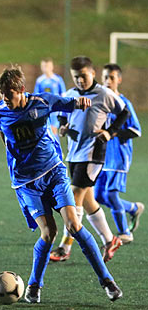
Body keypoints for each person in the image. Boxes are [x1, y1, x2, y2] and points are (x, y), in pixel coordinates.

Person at [0, 65, 123, 303]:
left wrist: (80, 103)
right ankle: (34, 285)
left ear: (21, 90)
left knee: (73, 224)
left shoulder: (42, 101)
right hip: (26, 182)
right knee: (48, 233)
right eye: (1, 95)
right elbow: (4, 136)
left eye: (8, 94)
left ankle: (107, 281)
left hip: (54, 172)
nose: (4, 99)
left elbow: (66, 103)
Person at [49, 56, 130, 263]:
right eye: (76, 77)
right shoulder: (71, 94)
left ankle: (65, 247)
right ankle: (110, 239)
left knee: (74, 196)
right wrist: (64, 125)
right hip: (74, 153)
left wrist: (110, 132)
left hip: (93, 154)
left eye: (83, 76)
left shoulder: (104, 94)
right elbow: (62, 114)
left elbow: (124, 113)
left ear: (92, 73)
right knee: (88, 201)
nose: (80, 81)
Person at [94, 63, 143, 243]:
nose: (107, 81)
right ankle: (132, 208)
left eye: (111, 77)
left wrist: (112, 133)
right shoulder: (103, 103)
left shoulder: (124, 104)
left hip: (119, 157)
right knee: (98, 196)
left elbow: (136, 131)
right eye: (105, 77)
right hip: (102, 157)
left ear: (119, 80)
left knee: (112, 195)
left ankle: (125, 232)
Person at [34, 57, 66, 136]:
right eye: (44, 66)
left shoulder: (58, 79)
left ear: (52, 67)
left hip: (55, 111)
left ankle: (55, 147)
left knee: (53, 131)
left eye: (47, 66)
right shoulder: (40, 80)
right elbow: (36, 96)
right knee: (45, 133)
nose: (45, 68)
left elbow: (63, 95)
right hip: (44, 111)